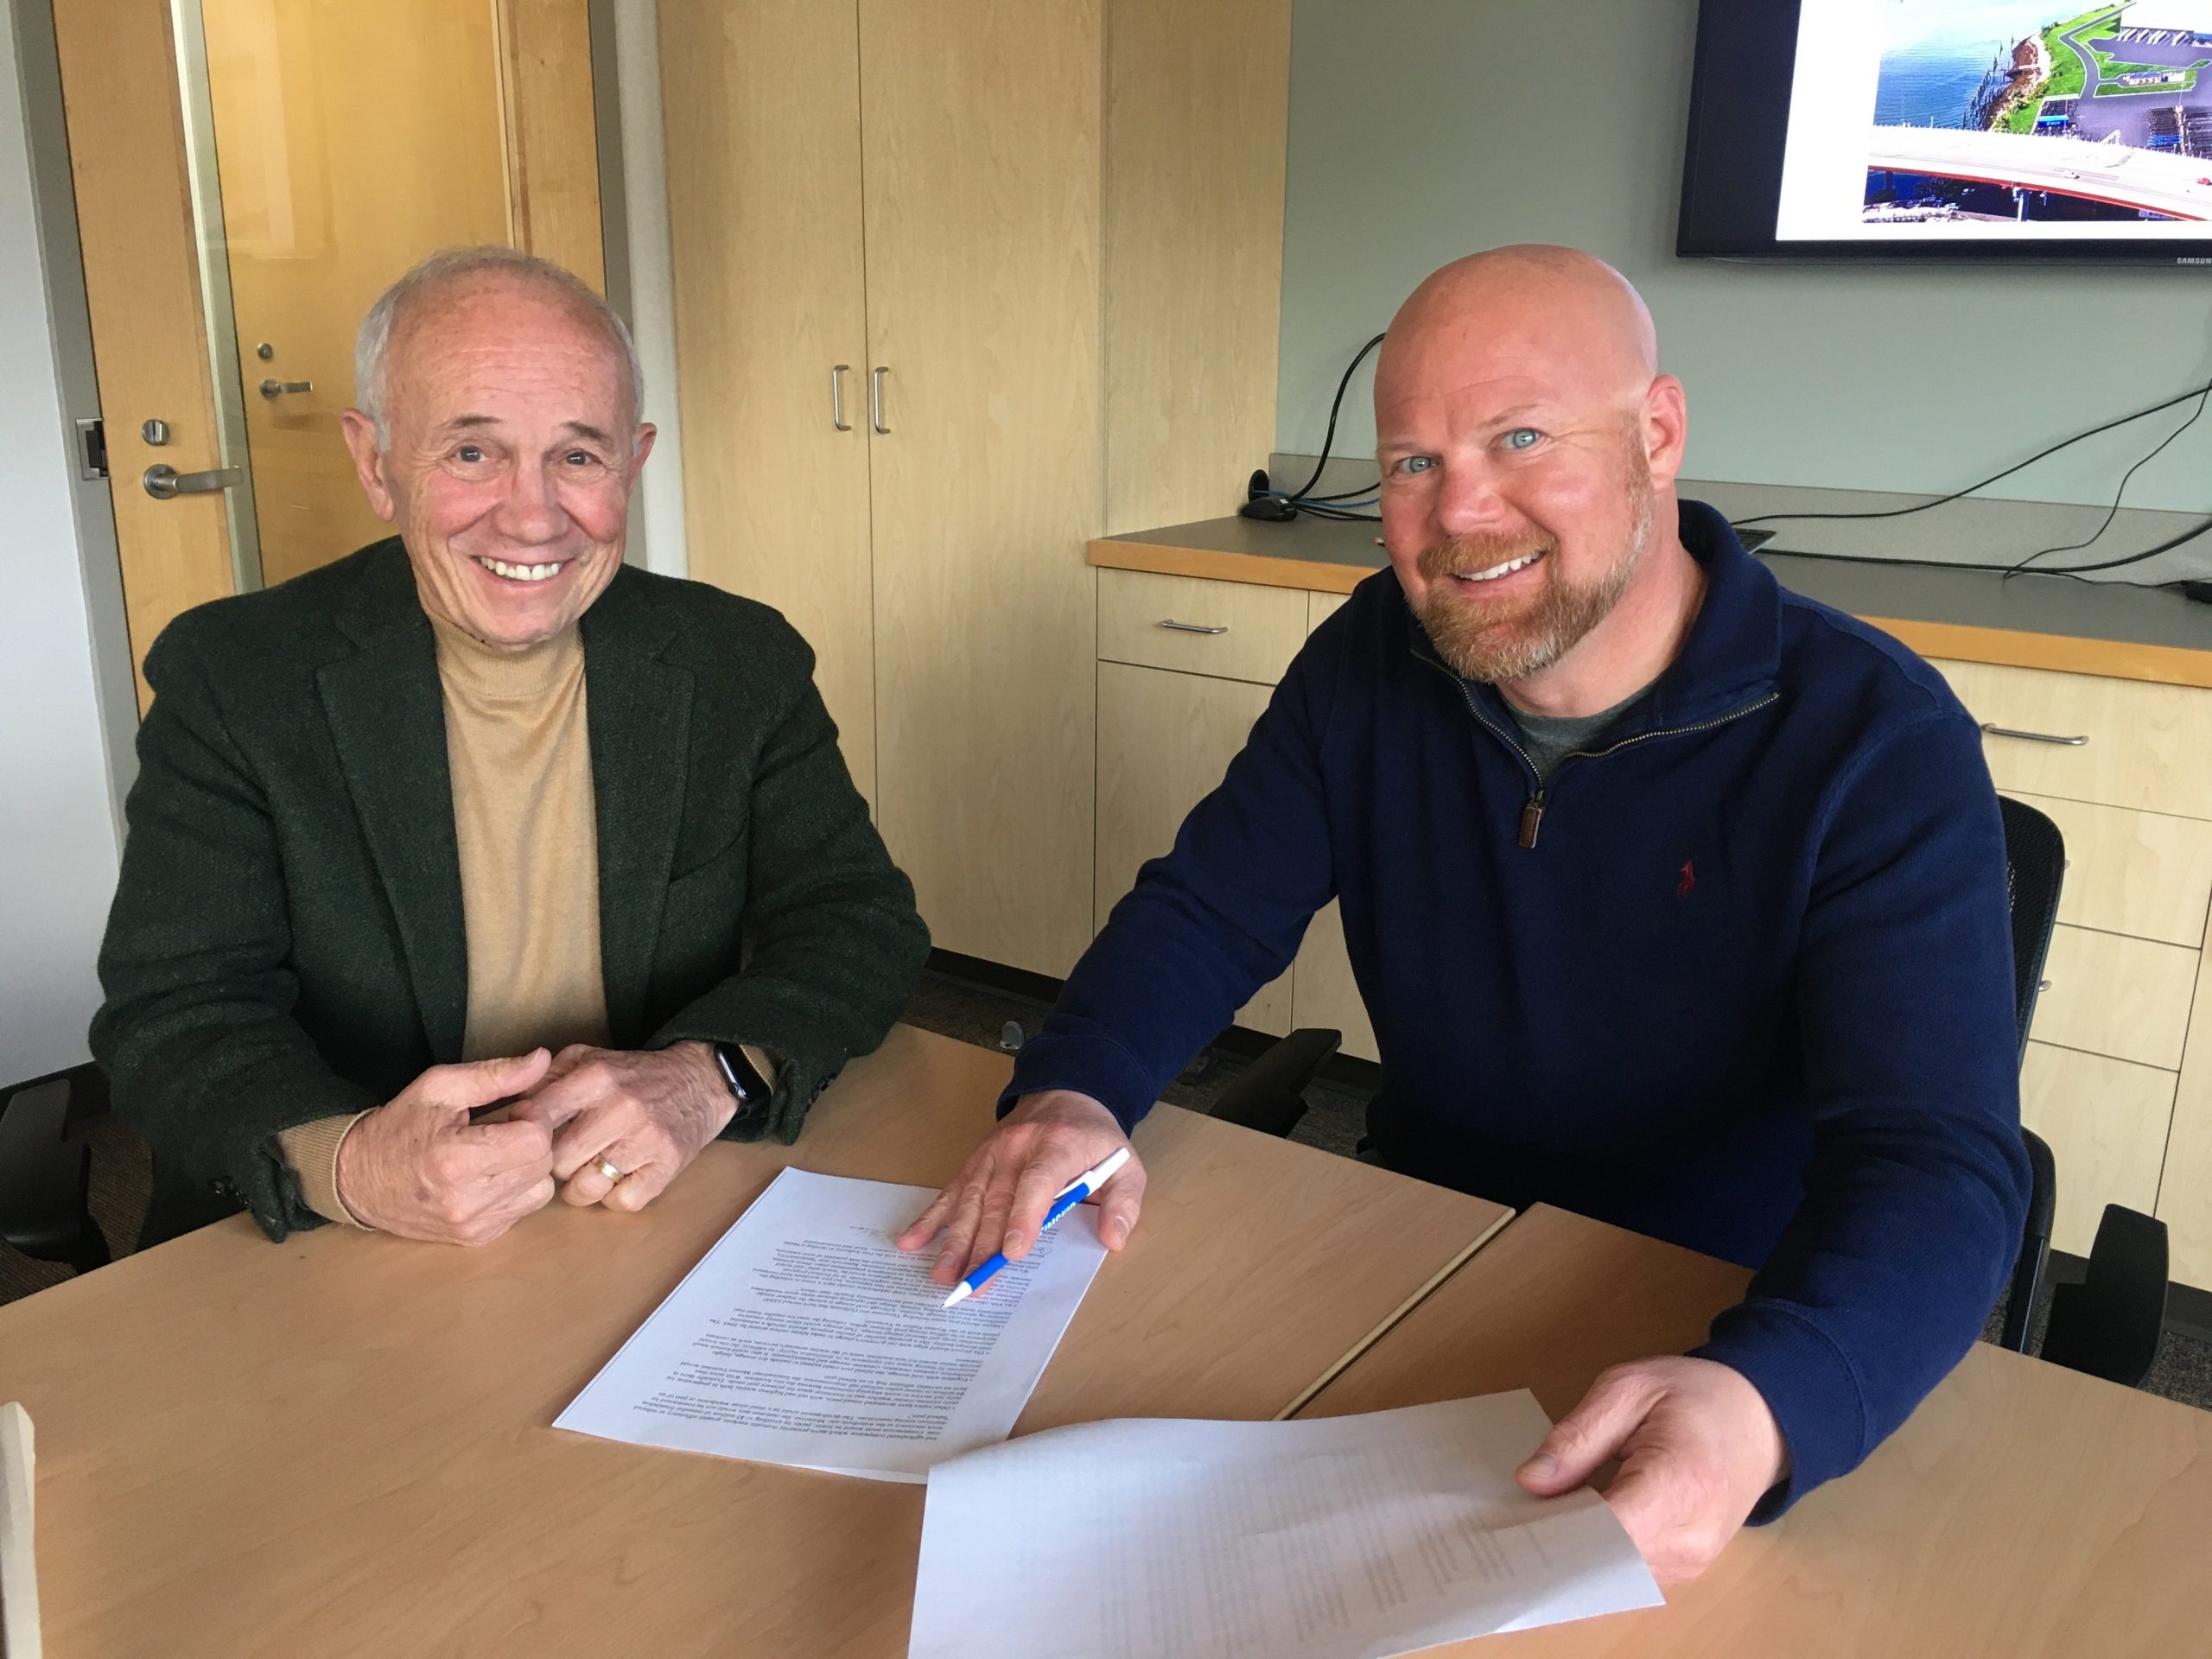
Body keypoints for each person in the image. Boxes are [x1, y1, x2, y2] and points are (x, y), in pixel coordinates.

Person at [898, 245, 2026, 1580]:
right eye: (1411, 463)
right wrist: (1078, 1090)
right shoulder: (1375, 657)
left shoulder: (1873, 740)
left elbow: (1938, 1163)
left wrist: (1768, 1404)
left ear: (1657, 436)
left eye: (1522, 438)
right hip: (1422, 1249)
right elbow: (1207, 912)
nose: (1458, 512)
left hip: (1726, 1304)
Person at [93, 246, 928, 1249]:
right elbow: (176, 1007)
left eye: (578, 456)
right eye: (471, 453)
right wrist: (352, 1162)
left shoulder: (737, 661)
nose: (532, 516)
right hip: (342, 1237)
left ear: (634, 461)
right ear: (375, 463)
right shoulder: (237, 678)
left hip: (633, 1201)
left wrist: (710, 1073)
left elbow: (854, 918)